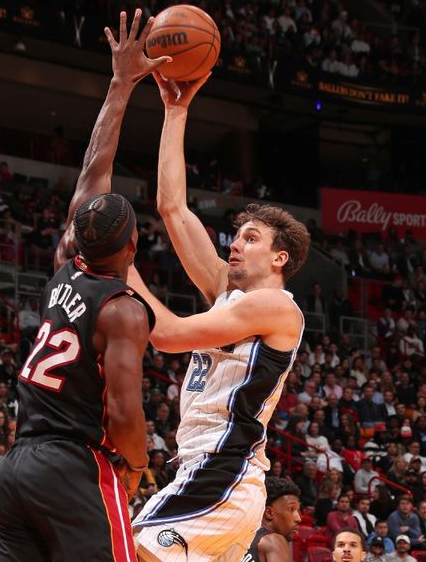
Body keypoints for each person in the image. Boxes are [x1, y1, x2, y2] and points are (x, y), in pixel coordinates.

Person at [0, 8, 168, 562]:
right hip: (72, 469)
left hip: (15, 469)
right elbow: (124, 414)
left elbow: (95, 167)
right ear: (134, 248)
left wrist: (120, 83)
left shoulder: (68, 260)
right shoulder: (123, 310)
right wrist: (137, 467)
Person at [129, 75, 310, 559]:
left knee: (121, 550)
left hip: (223, 472)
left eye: (251, 238)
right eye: (237, 235)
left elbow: (166, 335)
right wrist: (175, 110)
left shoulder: (277, 308)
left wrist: (120, 265)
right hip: (206, 470)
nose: (235, 243)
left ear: (280, 259)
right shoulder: (228, 293)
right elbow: (171, 207)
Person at [244, 477, 301, 562]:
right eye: (291, 509)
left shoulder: (241, 539)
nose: (298, 518)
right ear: (269, 513)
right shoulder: (274, 541)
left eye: (298, 511)